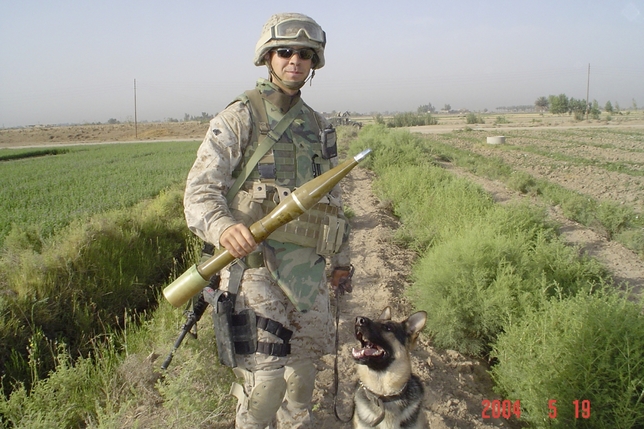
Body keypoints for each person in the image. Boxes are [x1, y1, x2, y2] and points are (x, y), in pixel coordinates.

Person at [183, 12, 352, 429]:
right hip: (254, 271)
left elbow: (333, 200)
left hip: (307, 274)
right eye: (284, 52)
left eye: (305, 54)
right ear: (267, 57)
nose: (294, 60)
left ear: (314, 62)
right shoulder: (239, 117)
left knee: (302, 378)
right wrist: (223, 227)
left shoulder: (319, 127)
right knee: (265, 386)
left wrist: (342, 260)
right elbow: (199, 193)